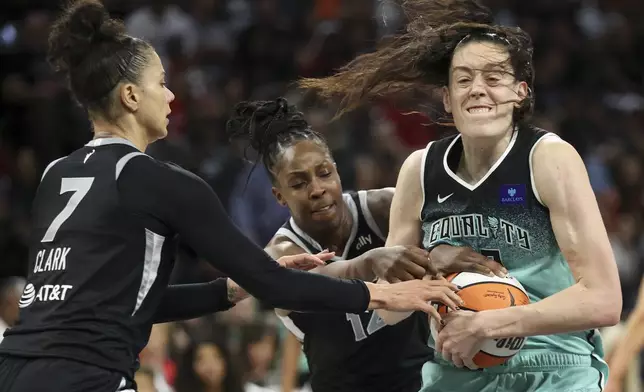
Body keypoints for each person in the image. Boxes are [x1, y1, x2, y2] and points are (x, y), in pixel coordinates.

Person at [0, 2, 463, 391]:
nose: (172, 94)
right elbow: (276, 285)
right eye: (160, 83)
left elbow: (121, 304)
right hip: (86, 375)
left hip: (15, 367)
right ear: (130, 97)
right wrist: (383, 296)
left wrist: (231, 288)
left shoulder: (55, 175)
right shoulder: (159, 179)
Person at [298, 0, 622, 391]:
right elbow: (392, 311)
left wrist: (490, 323)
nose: (478, 89)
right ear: (448, 99)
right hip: (456, 367)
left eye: (494, 77)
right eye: (464, 79)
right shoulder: (420, 169)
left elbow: (604, 300)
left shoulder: (548, 158)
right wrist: (407, 266)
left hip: (552, 365)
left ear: (520, 92)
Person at [225, 98, 505, 392]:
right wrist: (368, 262)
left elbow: (459, 221)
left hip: (422, 381)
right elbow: (310, 282)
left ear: (337, 171)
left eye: (324, 173)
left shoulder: (383, 206)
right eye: (298, 184)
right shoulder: (282, 252)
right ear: (279, 196)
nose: (317, 189)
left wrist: (441, 248)